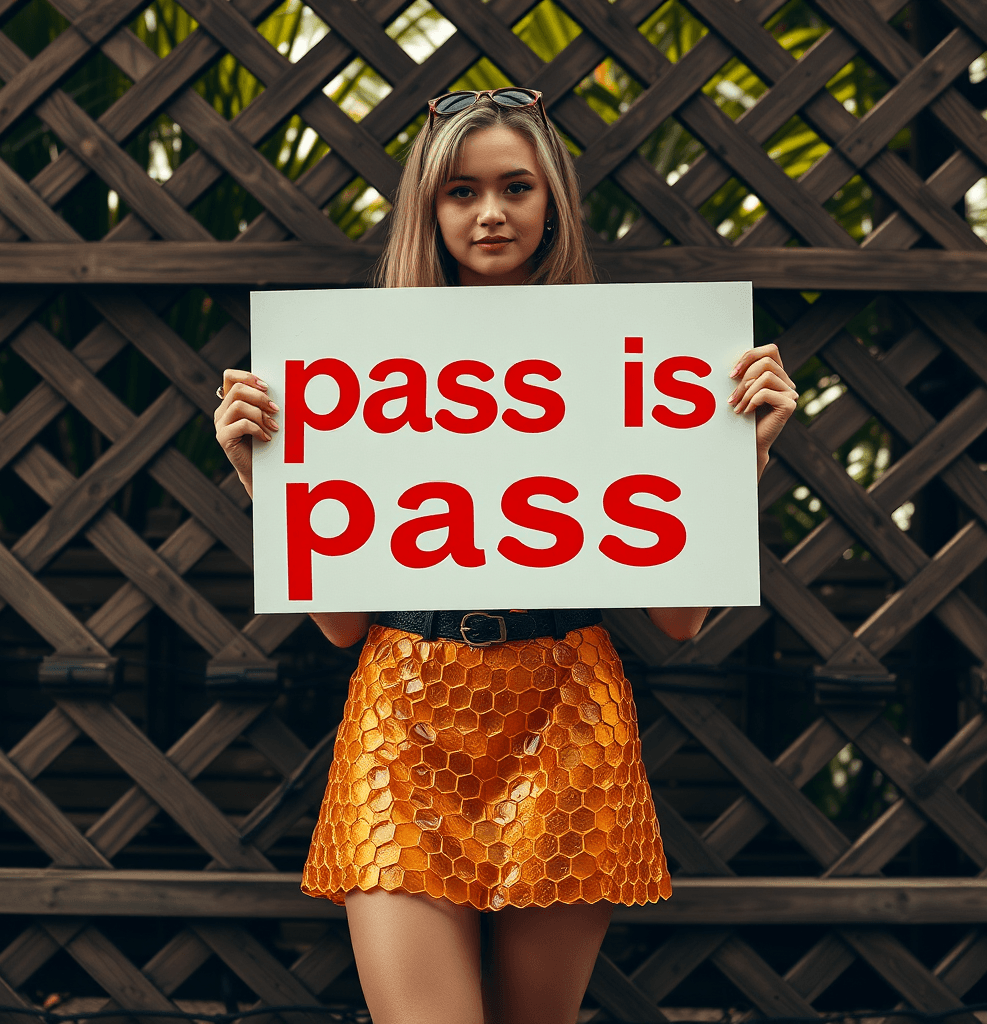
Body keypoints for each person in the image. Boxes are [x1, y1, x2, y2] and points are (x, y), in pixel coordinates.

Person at [214, 88, 797, 1024]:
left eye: (515, 186)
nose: (489, 212)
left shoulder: (630, 362)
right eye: (460, 191)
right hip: (402, 712)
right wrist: (265, 476)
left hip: (566, 705)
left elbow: (679, 620)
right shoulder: (360, 367)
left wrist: (740, 457)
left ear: (554, 200)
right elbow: (339, 624)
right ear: (429, 210)